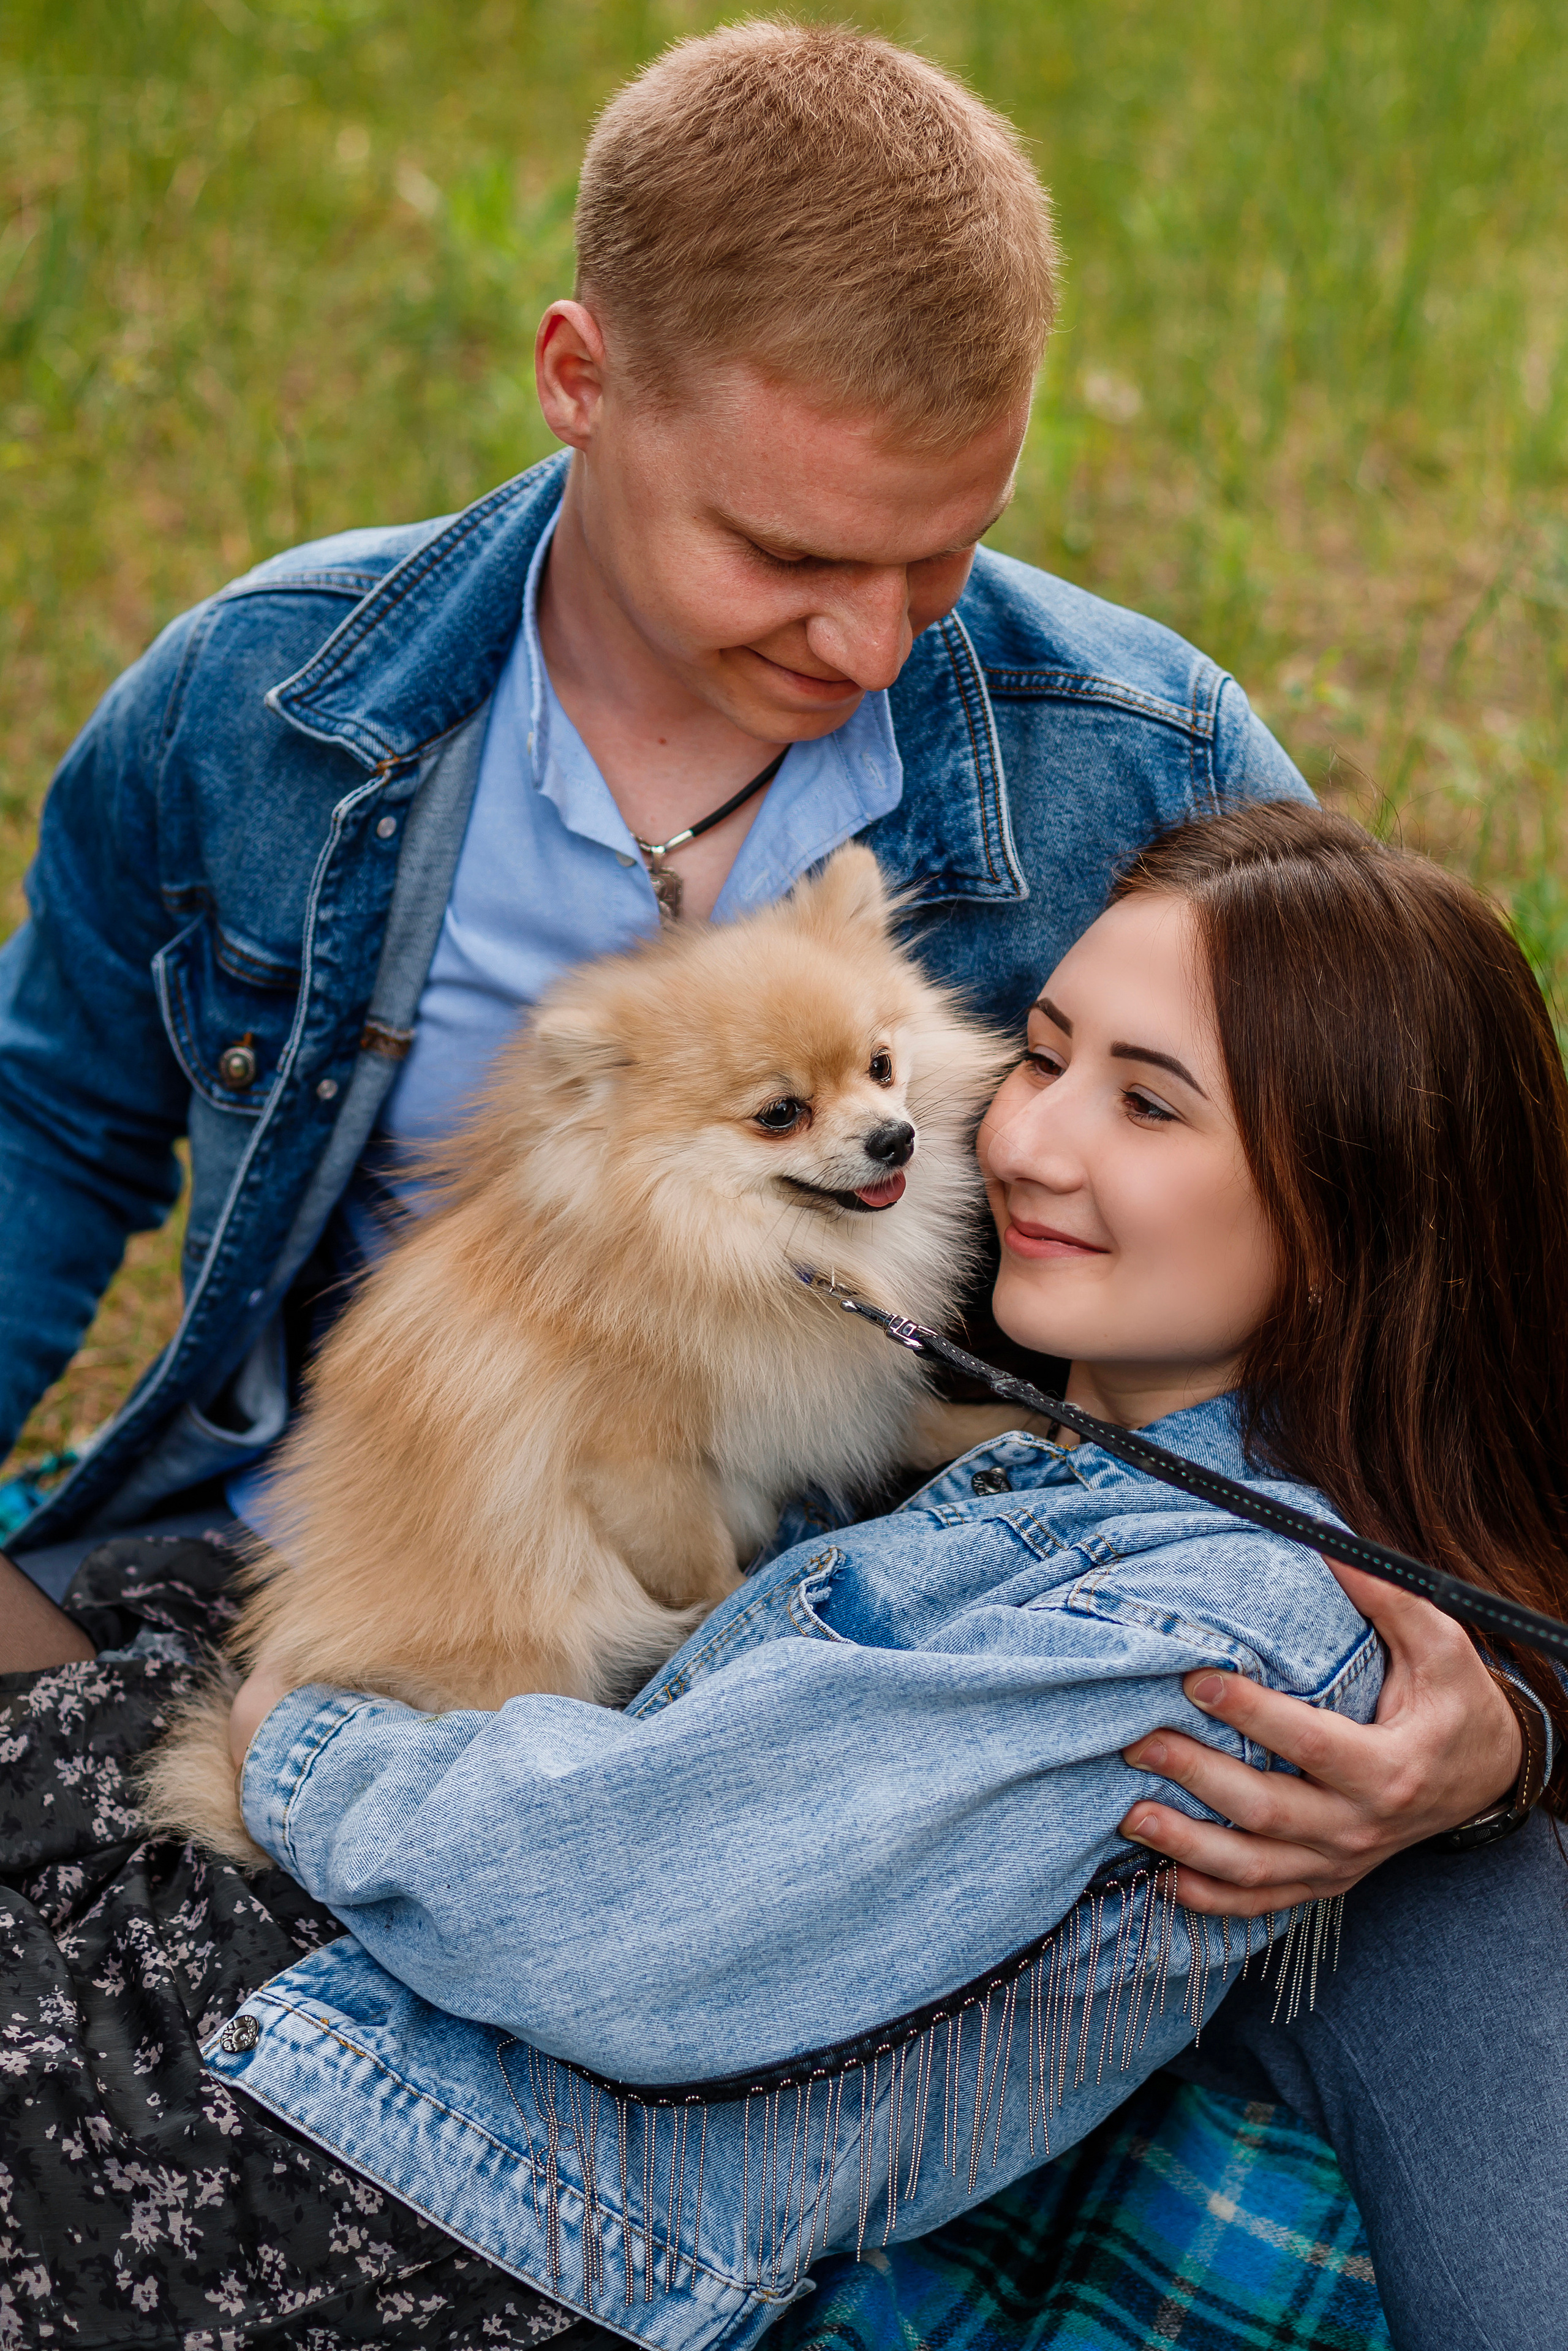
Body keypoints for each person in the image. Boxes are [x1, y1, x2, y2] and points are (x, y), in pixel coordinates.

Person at [0, 13, 1550, 2338]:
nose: (865, 638)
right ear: (578, 379)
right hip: (380, 1555)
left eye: (945, 552)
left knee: (1471, 1901)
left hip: (904, 1624)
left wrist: (1506, 1722)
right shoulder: (265, 708)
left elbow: (1413, 1223)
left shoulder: (1134, 757)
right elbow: (51, 1122)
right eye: (790, 551)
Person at [6, 804, 1564, 2351]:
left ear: (1356, 1208)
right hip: (372, 1998)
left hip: (372, 2151)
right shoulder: (1060, 1447)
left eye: (1146, 1104)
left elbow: (605, 1911)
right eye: (1038, 1055)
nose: (1014, 1137)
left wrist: (299, 1745)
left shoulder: (1192, 1632)